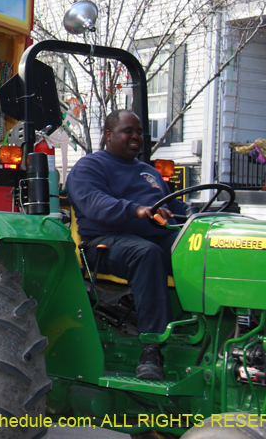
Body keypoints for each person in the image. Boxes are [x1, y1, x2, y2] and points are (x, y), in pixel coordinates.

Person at [65, 110, 186, 381]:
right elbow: (95, 204)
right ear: (109, 135)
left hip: (154, 236)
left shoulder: (149, 172)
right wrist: (136, 210)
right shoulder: (90, 167)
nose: (136, 136)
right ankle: (152, 348)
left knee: (197, 249)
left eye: (139, 131)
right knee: (146, 254)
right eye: (128, 131)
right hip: (104, 243)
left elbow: (175, 208)